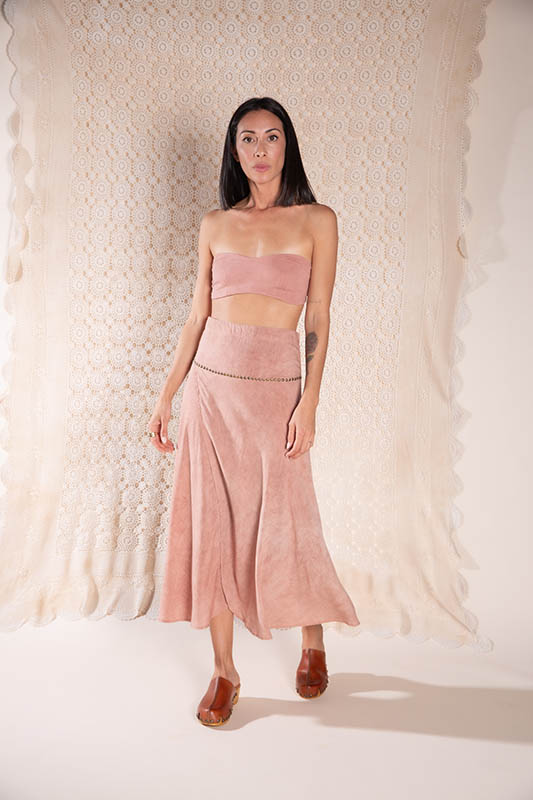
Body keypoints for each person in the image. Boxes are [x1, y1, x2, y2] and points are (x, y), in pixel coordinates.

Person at [149, 96, 360, 726]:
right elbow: (198, 315)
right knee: (211, 523)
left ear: (287, 145)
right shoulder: (216, 224)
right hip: (211, 392)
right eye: (248, 138)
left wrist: (310, 400)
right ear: (234, 150)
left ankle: (313, 639)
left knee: (289, 520)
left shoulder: (317, 219)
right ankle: (224, 671)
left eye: (271, 137)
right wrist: (166, 394)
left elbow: (318, 313)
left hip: (276, 390)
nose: (260, 150)